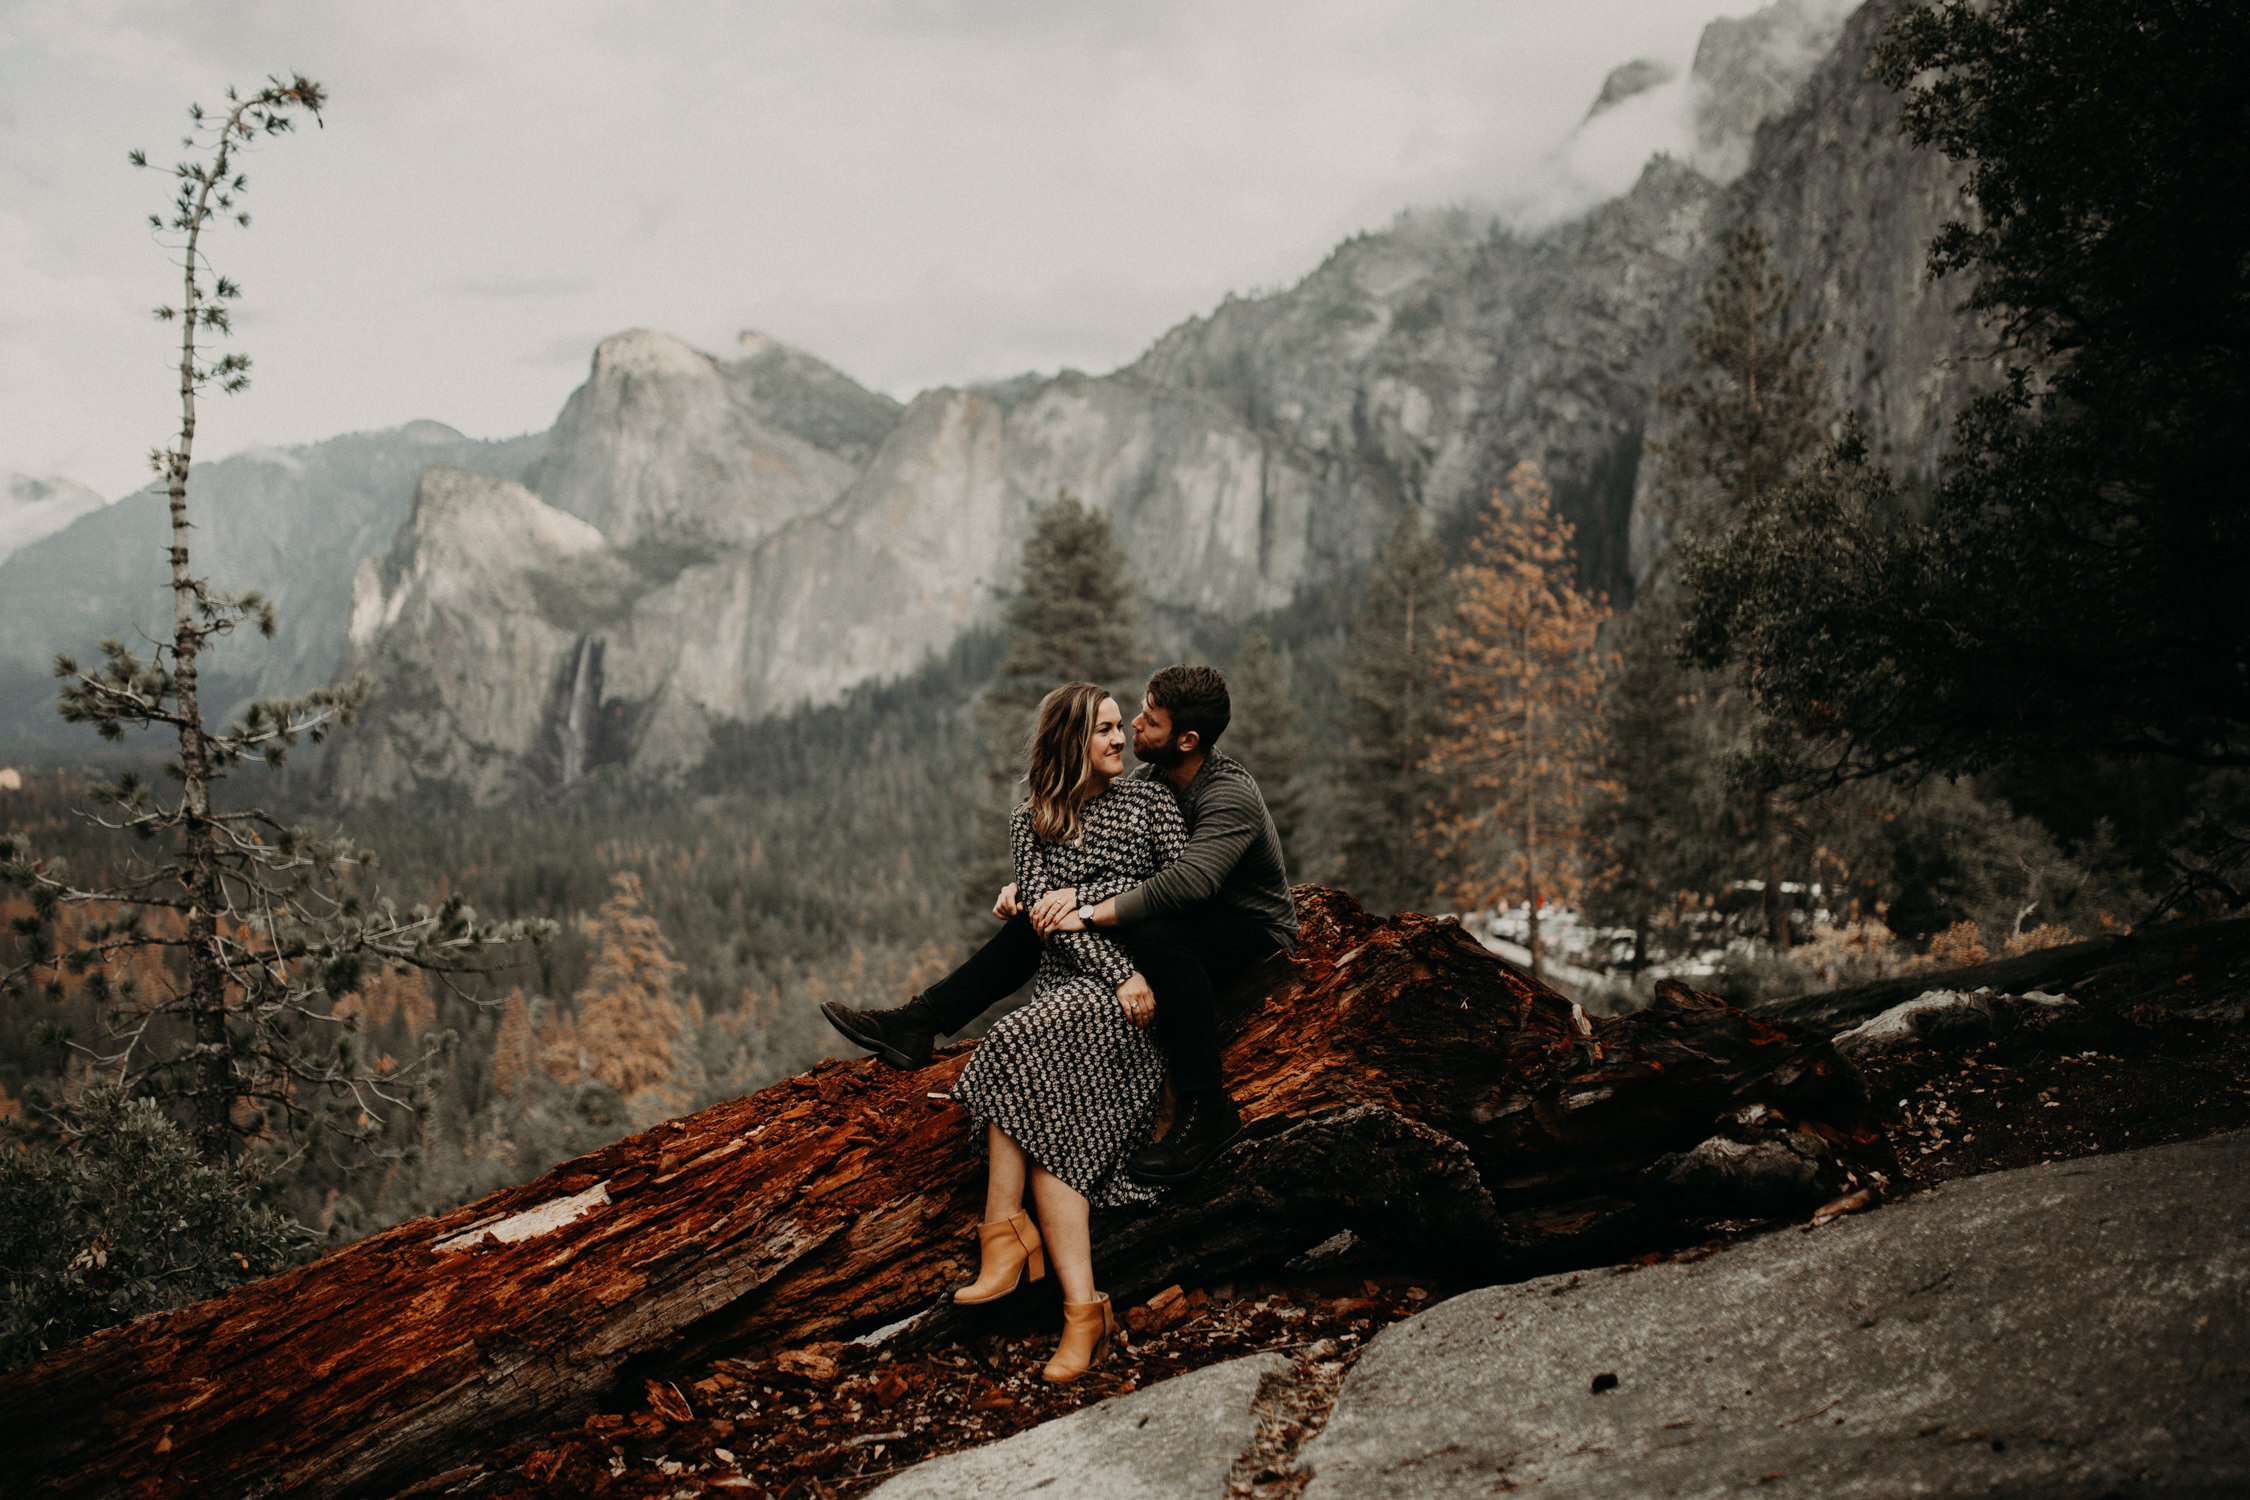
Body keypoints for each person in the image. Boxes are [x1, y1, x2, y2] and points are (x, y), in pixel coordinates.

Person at [822, 664, 1297, 1183]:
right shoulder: (1152, 780)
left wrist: (1082, 905)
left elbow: (1186, 886)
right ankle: (917, 1023)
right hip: (1184, 918)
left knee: (1154, 934)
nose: (1134, 727)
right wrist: (1033, 895)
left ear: (1186, 739)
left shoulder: (1229, 794)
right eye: (1130, 716)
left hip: (1248, 929)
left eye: (1147, 721)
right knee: (1042, 919)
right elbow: (1126, 871)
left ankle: (1208, 1109)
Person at [945, 682, 1187, 1382]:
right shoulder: (1032, 822)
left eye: (1121, 728)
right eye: (1104, 731)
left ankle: (1004, 1238)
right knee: (1054, 1138)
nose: (1119, 740)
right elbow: (1051, 930)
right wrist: (1099, 959)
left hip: (1141, 992)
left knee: (1014, 1037)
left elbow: (1177, 891)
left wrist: (1089, 916)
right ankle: (1085, 1313)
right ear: (1070, 742)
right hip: (1076, 988)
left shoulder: (1149, 802)